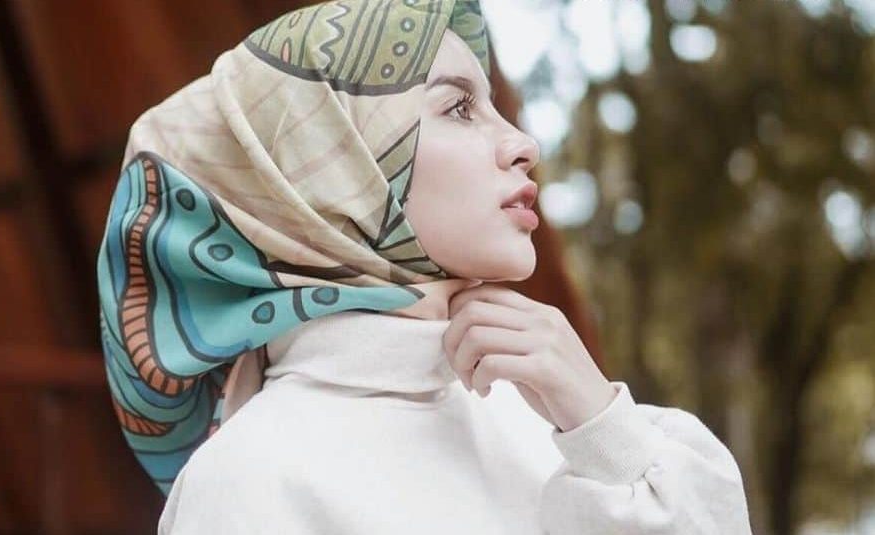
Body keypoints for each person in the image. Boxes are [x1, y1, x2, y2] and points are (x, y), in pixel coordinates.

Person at [95, 0, 753, 533]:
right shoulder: (252, 479)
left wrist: (602, 429)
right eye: (458, 108)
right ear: (340, 167)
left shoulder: (549, 424)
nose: (523, 143)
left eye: (493, 106)